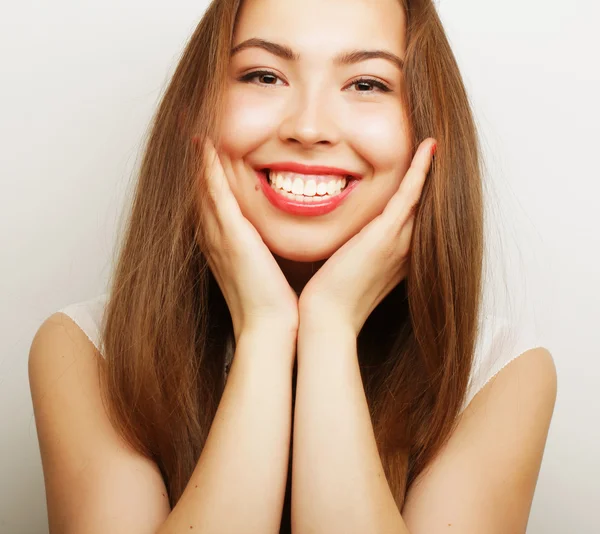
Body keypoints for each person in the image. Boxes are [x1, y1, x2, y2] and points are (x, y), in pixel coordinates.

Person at [28, 0, 558, 532]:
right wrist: (265, 328)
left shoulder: (498, 374)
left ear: (427, 127)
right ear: (197, 110)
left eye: (367, 84)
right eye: (264, 75)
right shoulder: (87, 351)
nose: (309, 127)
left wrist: (328, 326)